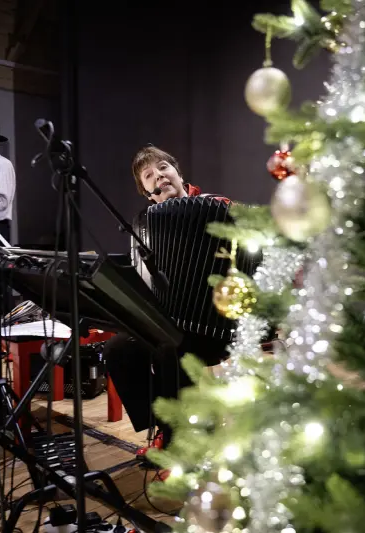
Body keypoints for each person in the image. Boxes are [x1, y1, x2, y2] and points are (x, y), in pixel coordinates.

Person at [103, 146, 229, 469]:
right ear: (147, 192)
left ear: (178, 173)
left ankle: (180, 446)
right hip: (169, 322)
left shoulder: (217, 207)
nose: (159, 175)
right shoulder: (145, 226)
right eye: (149, 175)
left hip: (215, 322)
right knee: (117, 350)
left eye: (163, 167)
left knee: (169, 349)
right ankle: (166, 427)